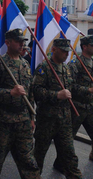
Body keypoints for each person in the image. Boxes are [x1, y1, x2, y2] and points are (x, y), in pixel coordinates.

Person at [55, 36, 93, 179]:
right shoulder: (75, 64)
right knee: (67, 140)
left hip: (91, 109)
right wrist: (89, 90)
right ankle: (59, 162)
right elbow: (69, 86)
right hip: (76, 108)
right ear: (84, 47)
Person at [0, 28, 40, 179]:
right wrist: (10, 93)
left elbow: (31, 94)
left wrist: (32, 118)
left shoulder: (25, 65)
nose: (22, 44)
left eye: (23, 41)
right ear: (8, 43)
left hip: (23, 122)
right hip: (3, 121)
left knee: (28, 161)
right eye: (18, 41)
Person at [32, 38, 82, 178]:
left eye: (68, 51)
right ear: (54, 50)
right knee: (38, 156)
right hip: (47, 120)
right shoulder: (44, 68)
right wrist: (56, 95)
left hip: (65, 120)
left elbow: (72, 88)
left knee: (70, 155)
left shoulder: (66, 69)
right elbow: (36, 91)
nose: (66, 54)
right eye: (63, 51)